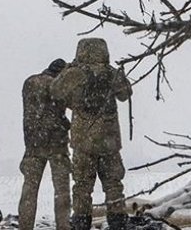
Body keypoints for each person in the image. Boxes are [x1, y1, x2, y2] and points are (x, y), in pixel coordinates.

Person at [51, 38, 132, 230]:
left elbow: (55, 91)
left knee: (82, 186)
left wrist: (68, 71)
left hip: (83, 140)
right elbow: (125, 94)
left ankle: (80, 222)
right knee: (113, 184)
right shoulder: (111, 73)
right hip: (109, 141)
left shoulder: (74, 73)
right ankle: (117, 221)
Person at [19, 58, 71, 230]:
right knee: (62, 191)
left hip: (33, 144)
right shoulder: (58, 85)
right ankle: (63, 226)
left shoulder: (29, 82)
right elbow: (73, 104)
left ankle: (25, 226)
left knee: (29, 191)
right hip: (57, 144)